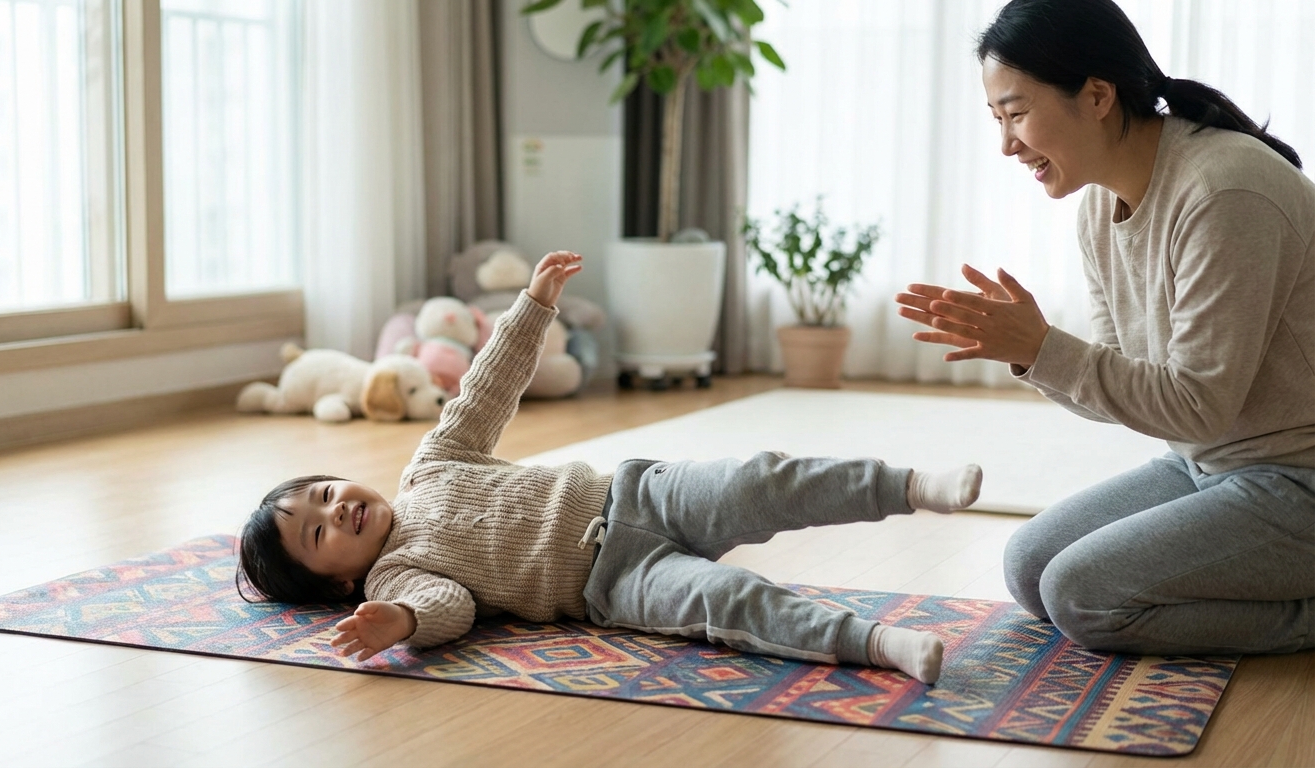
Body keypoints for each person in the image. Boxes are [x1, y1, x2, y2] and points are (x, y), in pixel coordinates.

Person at [238, 250, 984, 685]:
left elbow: (486, 390)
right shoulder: (394, 579)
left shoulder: (430, 464)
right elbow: (451, 610)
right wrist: (398, 621)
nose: (336, 510)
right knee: (728, 605)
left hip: (640, 494)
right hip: (613, 583)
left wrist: (532, 307)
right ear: (338, 581)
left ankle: (912, 487)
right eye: (317, 532)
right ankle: (878, 644)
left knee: (765, 481)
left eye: (327, 494)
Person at [894, 0, 1315, 656]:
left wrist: (1043, 348)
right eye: (996, 119)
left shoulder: (1225, 192)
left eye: (1017, 113)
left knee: (1082, 596)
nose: (1006, 144)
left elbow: (1197, 406)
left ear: (1096, 95)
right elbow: (1131, 389)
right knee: (1031, 567)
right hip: (1203, 463)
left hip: (1297, 476)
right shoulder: (1099, 205)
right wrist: (1031, 355)